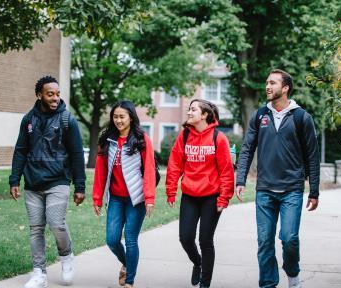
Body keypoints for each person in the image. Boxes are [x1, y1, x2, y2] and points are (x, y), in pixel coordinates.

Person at [235, 69, 320, 288]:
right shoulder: (260, 115)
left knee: (289, 238)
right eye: (266, 82)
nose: (267, 86)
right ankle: (268, 284)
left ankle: (292, 274)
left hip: (292, 189)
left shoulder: (301, 117)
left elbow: (312, 155)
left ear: (285, 88)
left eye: (272, 83)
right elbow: (246, 149)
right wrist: (240, 179)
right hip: (265, 189)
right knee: (264, 242)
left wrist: (314, 191)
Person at [9, 75, 86, 288]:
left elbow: (77, 154)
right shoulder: (28, 120)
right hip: (32, 183)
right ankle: (39, 273)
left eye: (57, 94)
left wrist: (80, 186)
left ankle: (66, 256)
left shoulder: (67, 120)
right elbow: (21, 151)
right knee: (36, 228)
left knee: (56, 223)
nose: (55, 98)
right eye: (50, 94)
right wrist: (14, 179)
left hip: (58, 181)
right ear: (39, 95)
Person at [165, 99, 235, 288]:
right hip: (189, 195)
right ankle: (197, 262)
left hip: (211, 197)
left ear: (204, 115)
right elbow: (174, 164)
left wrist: (224, 198)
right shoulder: (185, 136)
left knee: (205, 239)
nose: (189, 112)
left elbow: (226, 170)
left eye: (193, 109)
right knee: (185, 238)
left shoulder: (218, 138)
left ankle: (205, 283)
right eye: (189, 109)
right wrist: (171, 190)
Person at [92, 100, 156, 288]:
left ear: (131, 117)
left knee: (130, 239)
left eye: (122, 116)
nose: (118, 120)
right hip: (116, 198)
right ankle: (128, 264)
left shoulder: (141, 138)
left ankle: (129, 281)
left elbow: (150, 170)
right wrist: (97, 198)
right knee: (112, 240)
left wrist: (149, 198)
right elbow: (100, 171)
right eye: (115, 116)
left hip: (136, 199)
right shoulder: (107, 139)